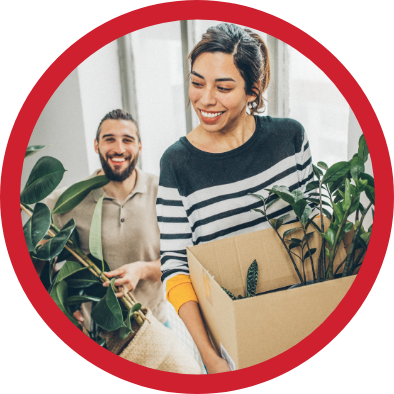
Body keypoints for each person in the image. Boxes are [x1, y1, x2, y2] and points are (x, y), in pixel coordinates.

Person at [156, 23, 314, 373]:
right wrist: (211, 357)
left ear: (252, 90)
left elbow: (318, 225)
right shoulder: (176, 163)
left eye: (223, 87)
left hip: (306, 317)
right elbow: (176, 268)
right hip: (231, 345)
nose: (205, 99)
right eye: (197, 83)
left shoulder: (290, 138)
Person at [44, 109, 168, 329]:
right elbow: (35, 240)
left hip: (153, 325)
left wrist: (141, 270)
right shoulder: (70, 199)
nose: (118, 148)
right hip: (98, 335)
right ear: (96, 146)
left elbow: (182, 261)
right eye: (109, 139)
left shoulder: (163, 193)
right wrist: (60, 302)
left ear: (139, 147)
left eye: (127, 140)